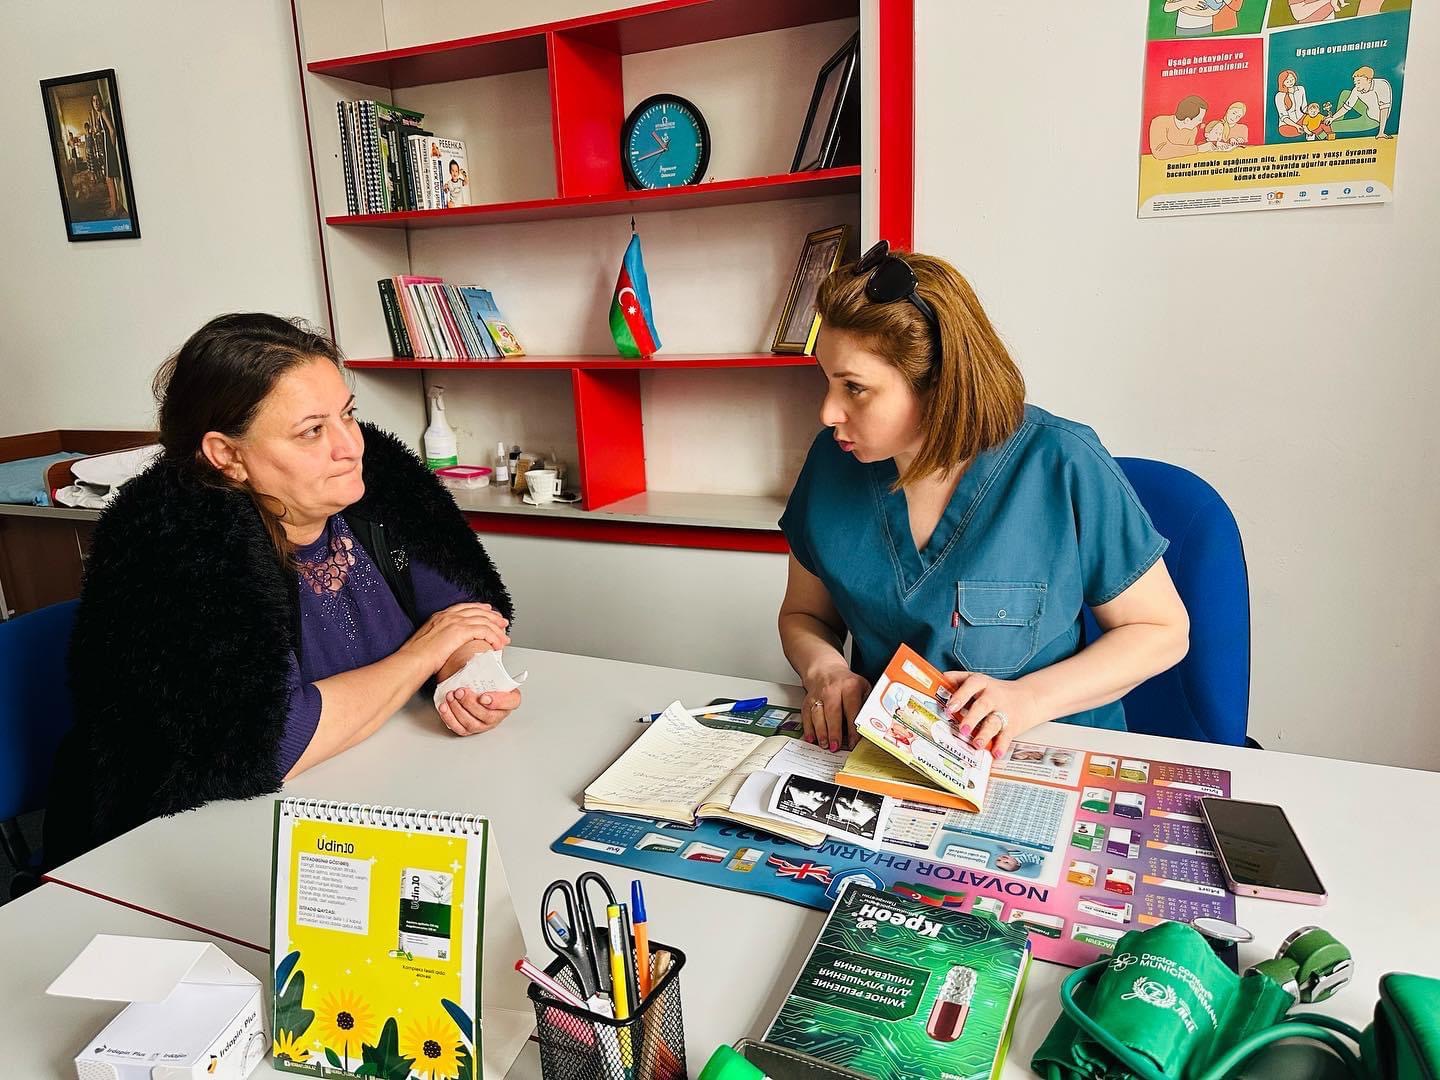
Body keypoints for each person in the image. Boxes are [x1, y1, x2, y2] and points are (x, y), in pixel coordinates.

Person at [44, 314, 518, 864]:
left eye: (348, 415)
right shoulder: (181, 550)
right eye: (311, 431)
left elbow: (463, 605)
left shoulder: (379, 490)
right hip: (178, 843)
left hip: (368, 796)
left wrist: (469, 674)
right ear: (227, 455)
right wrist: (425, 653)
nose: (350, 446)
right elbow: (269, 744)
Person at [777, 244, 1189, 758]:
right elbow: (805, 615)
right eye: (827, 381)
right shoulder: (831, 463)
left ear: (939, 383)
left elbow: (1161, 631)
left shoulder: (1062, 463)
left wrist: (1027, 700)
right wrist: (825, 668)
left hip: (1040, 749)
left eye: (854, 388)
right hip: (890, 753)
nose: (828, 412)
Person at [1329, 65, 1394, 138]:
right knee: (1345, 94)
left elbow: (1384, 110)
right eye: (1355, 83)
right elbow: (1346, 107)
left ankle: (1323, 132)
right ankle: (1335, 121)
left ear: (1368, 80)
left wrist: (1381, 132)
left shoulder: (1382, 85)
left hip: (1374, 119)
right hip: (1367, 109)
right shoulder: (1356, 90)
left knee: (1332, 126)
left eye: (1359, 82)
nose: (1357, 85)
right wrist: (1332, 118)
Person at [1148, 95, 1212, 159]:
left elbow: (1188, 154)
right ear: (1187, 120)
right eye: (1199, 119)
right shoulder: (1160, 122)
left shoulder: (1193, 130)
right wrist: (1197, 149)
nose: (1201, 122)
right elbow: (1160, 151)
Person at [90, 92, 123, 216]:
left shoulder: (103, 112)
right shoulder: (99, 115)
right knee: (108, 178)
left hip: (108, 148)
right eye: (94, 101)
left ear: (101, 101)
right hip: (105, 149)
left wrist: (111, 147)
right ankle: (113, 206)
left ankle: (114, 209)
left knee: (109, 179)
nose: (96, 103)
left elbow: (112, 130)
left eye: (98, 100)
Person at [1274, 69, 1309, 138]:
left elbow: (1304, 107)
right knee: (1285, 131)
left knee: (1314, 122)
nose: (1290, 82)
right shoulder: (1279, 95)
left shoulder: (1301, 89)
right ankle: (1307, 131)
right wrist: (1296, 126)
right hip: (1288, 124)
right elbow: (1283, 117)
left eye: (1292, 79)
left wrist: (1312, 113)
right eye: (1287, 81)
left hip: (1302, 119)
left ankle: (1308, 132)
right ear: (1282, 82)